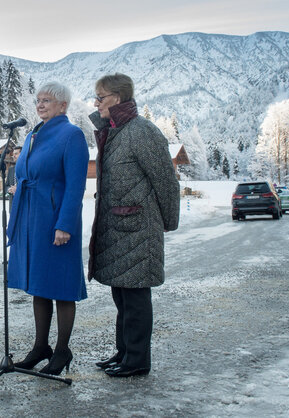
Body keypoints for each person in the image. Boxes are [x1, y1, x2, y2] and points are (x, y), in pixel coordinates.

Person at [88, 73, 180, 377]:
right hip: (118, 227)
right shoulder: (114, 131)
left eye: (100, 97)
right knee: (122, 296)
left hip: (139, 227)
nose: (97, 103)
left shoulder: (142, 132)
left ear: (117, 97)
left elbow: (166, 181)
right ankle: (124, 352)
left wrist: (168, 222)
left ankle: (137, 360)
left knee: (136, 297)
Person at [5, 82, 89, 375]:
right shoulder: (32, 135)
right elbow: (31, 173)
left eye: (47, 101)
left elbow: (76, 184)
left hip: (55, 221)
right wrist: (20, 187)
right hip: (30, 219)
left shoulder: (72, 135)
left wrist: (65, 224)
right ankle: (41, 347)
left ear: (63, 105)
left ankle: (63, 350)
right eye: (38, 100)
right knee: (38, 284)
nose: (40, 105)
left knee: (62, 287)